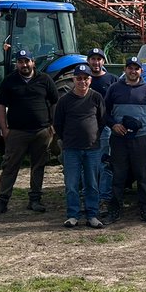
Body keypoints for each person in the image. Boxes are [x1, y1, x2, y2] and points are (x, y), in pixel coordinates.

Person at [0, 49, 59, 215]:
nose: (24, 65)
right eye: (20, 62)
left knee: (38, 166)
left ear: (33, 62)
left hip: (41, 131)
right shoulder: (9, 81)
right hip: (17, 132)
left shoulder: (45, 79)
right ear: (17, 64)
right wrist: (4, 128)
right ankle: (2, 201)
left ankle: (35, 199)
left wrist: (54, 125)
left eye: (27, 61)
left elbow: (55, 102)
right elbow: (0, 105)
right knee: (9, 166)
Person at [104, 56, 146, 223]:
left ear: (141, 71)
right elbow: (104, 113)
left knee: (142, 176)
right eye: (130, 68)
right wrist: (113, 124)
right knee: (118, 176)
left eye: (136, 68)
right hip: (119, 139)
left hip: (141, 139)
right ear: (125, 70)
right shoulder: (114, 89)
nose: (133, 71)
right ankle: (114, 211)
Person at [54, 63, 106, 229]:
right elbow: (58, 124)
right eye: (79, 78)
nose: (82, 81)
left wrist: (93, 137)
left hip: (92, 149)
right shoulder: (64, 100)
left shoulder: (96, 97)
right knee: (72, 184)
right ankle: (73, 215)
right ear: (74, 79)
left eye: (85, 78)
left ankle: (92, 215)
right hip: (71, 149)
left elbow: (102, 120)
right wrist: (68, 139)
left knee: (92, 184)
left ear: (90, 80)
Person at [86, 48, 117, 212]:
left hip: (105, 128)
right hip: (87, 129)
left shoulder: (112, 80)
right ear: (88, 61)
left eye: (99, 59)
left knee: (105, 163)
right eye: (93, 59)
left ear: (103, 61)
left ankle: (104, 199)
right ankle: (89, 198)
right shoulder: (83, 79)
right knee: (88, 164)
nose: (96, 62)